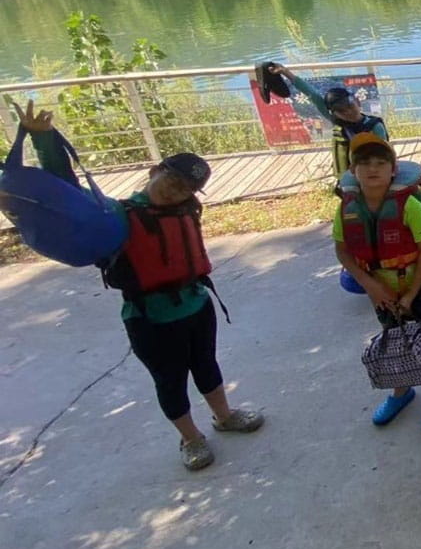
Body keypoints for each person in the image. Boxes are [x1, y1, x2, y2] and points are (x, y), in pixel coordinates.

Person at [13, 100, 263, 472]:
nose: (174, 192)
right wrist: (45, 141)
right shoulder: (117, 216)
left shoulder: (186, 210)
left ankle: (224, 417)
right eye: (171, 180)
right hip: (151, 317)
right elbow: (68, 195)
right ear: (154, 170)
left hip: (197, 304)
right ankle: (191, 438)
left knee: (207, 367)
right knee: (170, 381)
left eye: (184, 189)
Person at [333, 132, 421, 432]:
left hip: (420, 286)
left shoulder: (408, 205)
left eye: (380, 162)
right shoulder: (346, 209)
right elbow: (343, 250)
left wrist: (412, 292)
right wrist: (370, 285)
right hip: (381, 290)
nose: (372, 169)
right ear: (353, 171)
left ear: (393, 169)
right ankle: (402, 391)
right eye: (364, 163)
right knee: (394, 337)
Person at [269, 63, 388, 179]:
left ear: (357, 102)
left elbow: (384, 153)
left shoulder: (374, 126)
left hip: (370, 175)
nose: (348, 112)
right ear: (334, 113)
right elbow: (312, 94)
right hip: (346, 176)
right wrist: (286, 73)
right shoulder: (338, 121)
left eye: (350, 106)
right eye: (341, 111)